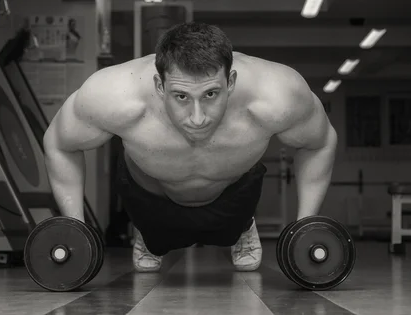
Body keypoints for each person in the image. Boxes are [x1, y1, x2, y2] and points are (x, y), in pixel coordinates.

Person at [43, 22, 337, 273]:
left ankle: (243, 227)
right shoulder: (114, 96)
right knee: (155, 231)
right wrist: (73, 228)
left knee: (233, 221)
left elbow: (320, 143)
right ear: (160, 86)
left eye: (211, 93)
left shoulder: (275, 96)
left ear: (230, 81)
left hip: (234, 194)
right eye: (181, 96)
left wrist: (306, 225)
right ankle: (147, 235)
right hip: (149, 196)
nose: (198, 118)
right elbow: (59, 143)